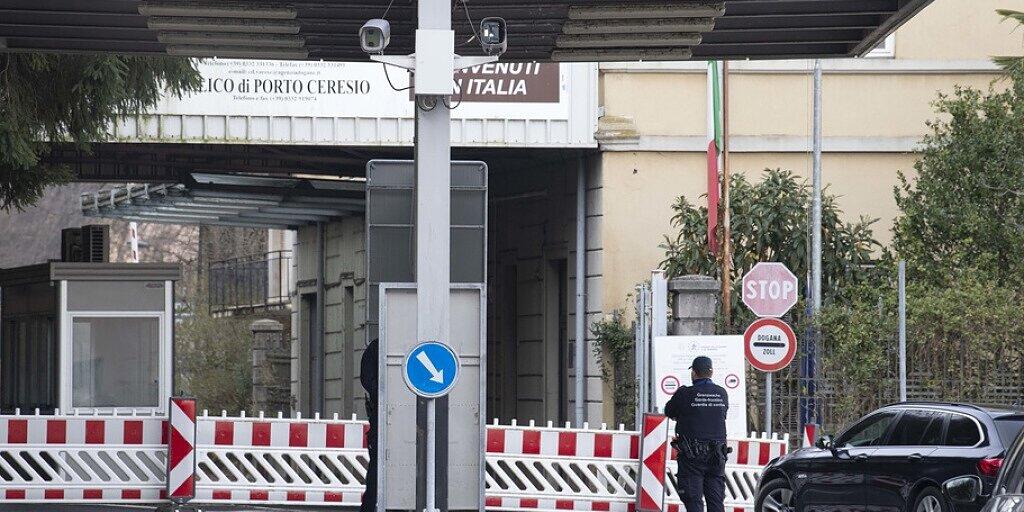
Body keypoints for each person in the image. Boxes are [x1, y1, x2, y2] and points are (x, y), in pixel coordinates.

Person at [663, 356, 729, 512]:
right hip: (717, 455)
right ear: (711, 372)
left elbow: (669, 411)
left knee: (692, 499)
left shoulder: (684, 393)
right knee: (716, 500)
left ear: (693, 373)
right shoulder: (722, 393)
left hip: (692, 456)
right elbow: (722, 414)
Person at [359, 338, 379, 512]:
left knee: (376, 466)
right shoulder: (377, 347)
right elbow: (368, 381)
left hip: (379, 417)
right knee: (377, 467)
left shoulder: (375, 347)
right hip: (380, 418)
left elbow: (367, 380)